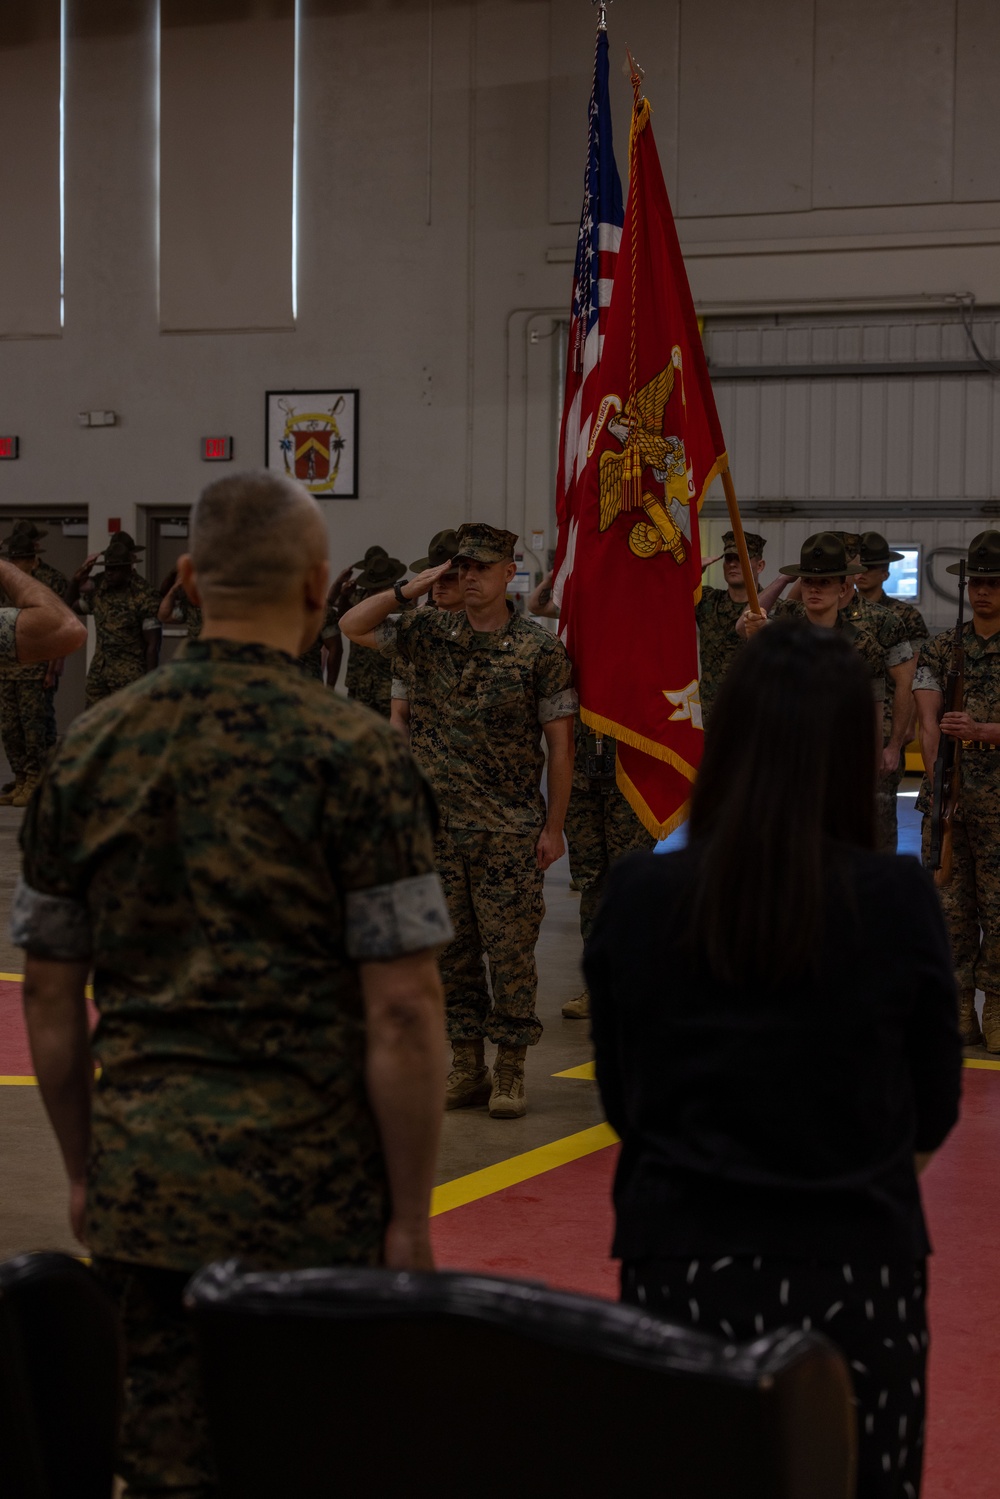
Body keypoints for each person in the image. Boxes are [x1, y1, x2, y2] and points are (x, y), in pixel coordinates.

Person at [13, 469, 450, 1497]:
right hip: (317, 1190)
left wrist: (85, 1168)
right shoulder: (361, 754)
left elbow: (48, 999)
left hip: (145, 1179)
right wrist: (412, 1213)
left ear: (190, 580)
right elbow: (401, 1005)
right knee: (311, 1452)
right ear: (319, 585)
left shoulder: (92, 748)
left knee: (164, 1462)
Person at [587, 619, 961, 1499]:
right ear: (849, 746)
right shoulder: (897, 899)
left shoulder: (639, 895)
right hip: (856, 1272)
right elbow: (933, 1106)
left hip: (679, 1268)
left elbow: (622, 1097)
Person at [340, 522, 576, 1119]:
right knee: (451, 955)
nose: (468, 577)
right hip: (438, 830)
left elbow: (561, 746)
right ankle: (467, 1066)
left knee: (513, 954)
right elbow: (351, 626)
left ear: (507, 573)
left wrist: (555, 827)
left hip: (509, 829)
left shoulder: (539, 649)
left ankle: (511, 1071)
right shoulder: (425, 631)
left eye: (480, 568)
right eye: (460, 568)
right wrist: (408, 588)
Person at [526, 571, 654, 1020]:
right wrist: (565, 567)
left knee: (631, 884)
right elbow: (537, 605)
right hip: (583, 779)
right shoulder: (572, 637)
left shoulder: (645, 633)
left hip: (629, 777)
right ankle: (597, 985)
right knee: (594, 885)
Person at [743, 533, 915, 852]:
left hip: (841, 765)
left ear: (843, 588)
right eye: (809, 582)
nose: (815, 589)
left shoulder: (862, 645)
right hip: (788, 765)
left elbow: (874, 706)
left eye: (825, 583)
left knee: (841, 851)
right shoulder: (781, 637)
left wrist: (879, 752)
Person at [914, 530, 1000, 1051]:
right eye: (979, 583)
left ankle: (997, 1010)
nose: (984, 592)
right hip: (951, 801)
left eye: (993, 582)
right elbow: (929, 719)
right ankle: (958, 1009)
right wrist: (935, 776)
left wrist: (985, 732)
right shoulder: (944, 646)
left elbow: (972, 728)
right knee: (951, 909)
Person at [857, 532, 930, 850]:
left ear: (885, 572)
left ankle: (882, 886)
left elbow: (916, 677)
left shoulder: (905, 616)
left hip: (886, 724)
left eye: (871, 567)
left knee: (881, 813)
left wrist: (903, 733)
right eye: (859, 565)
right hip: (843, 724)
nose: (863, 572)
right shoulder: (842, 610)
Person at [695, 530, 788, 722]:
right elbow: (666, 603)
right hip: (710, 715)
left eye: (740, 559)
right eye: (728, 558)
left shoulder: (778, 608)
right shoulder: (708, 601)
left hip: (755, 714)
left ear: (760, 565)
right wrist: (690, 574)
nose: (732, 564)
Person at [68, 532, 163, 705]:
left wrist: (150, 684)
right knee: (94, 726)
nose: (109, 573)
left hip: (129, 676)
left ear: (128, 567)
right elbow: (71, 605)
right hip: (99, 672)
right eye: (107, 568)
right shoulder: (101, 590)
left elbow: (153, 644)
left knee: (127, 728)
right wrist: (76, 579)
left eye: (115, 569)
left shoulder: (143, 595)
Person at [391, 529, 463, 739]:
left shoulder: (489, 629)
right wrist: (403, 592)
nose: (439, 583)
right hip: (426, 764)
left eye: (450, 577)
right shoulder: (415, 629)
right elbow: (399, 715)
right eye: (434, 576)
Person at [341, 551, 406, 717]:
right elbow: (340, 617)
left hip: (386, 686)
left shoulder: (402, 609)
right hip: (360, 682)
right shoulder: (359, 603)